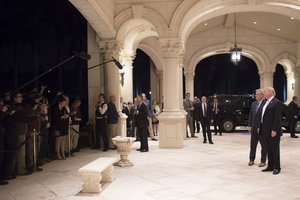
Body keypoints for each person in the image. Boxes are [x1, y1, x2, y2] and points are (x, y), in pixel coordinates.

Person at [259, 87, 282, 175]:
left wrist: (274, 130)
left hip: (273, 131)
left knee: (275, 149)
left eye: (265, 91)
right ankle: (270, 166)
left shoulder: (277, 103)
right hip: (265, 130)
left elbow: (277, 118)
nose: (263, 93)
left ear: (271, 93)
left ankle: (277, 167)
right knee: (269, 149)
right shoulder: (266, 102)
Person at [247, 89, 267, 167]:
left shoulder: (265, 104)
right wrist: (249, 125)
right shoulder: (254, 104)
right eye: (256, 94)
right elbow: (251, 115)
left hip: (262, 128)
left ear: (262, 95)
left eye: (257, 94)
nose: (256, 95)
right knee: (253, 145)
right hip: (254, 128)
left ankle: (263, 160)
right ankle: (251, 159)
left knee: (264, 145)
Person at [52, 96, 69, 160]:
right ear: (60, 102)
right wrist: (61, 117)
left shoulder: (64, 108)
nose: (64, 104)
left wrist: (66, 116)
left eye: (65, 103)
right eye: (63, 103)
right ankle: (57, 153)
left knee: (63, 141)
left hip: (63, 127)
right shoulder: (56, 108)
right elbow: (54, 118)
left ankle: (62, 153)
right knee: (58, 141)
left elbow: (67, 114)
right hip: (58, 127)